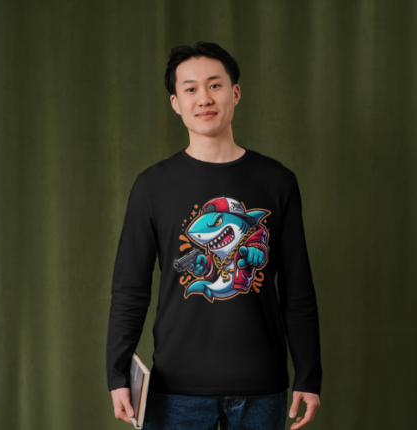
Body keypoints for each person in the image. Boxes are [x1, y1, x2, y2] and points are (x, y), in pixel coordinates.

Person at [106, 41, 322, 430]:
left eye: (214, 85)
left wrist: (309, 375)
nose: (204, 98)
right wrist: (116, 373)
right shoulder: (152, 187)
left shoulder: (277, 181)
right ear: (176, 103)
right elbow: (129, 288)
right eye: (190, 89)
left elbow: (297, 289)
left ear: (235, 93)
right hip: (175, 390)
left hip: (262, 387)